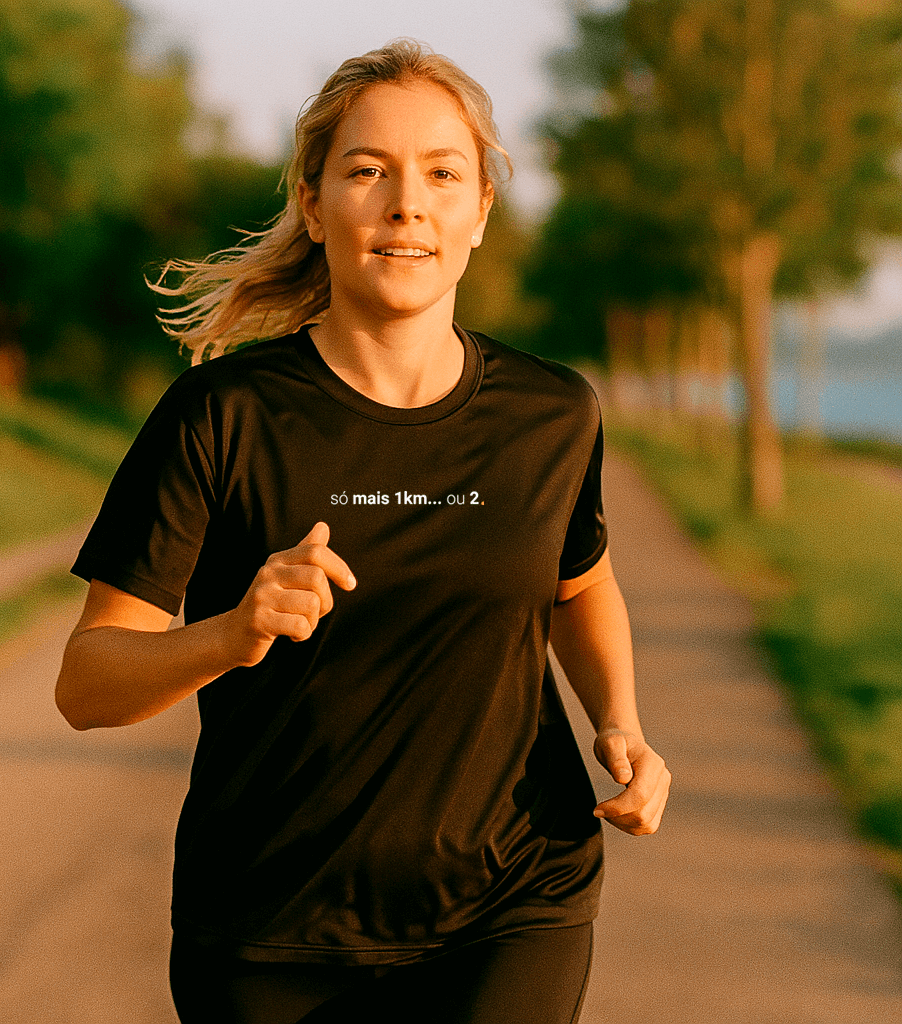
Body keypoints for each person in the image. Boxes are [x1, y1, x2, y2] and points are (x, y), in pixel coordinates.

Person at [55, 39, 670, 1024]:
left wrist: (620, 721)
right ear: (312, 204)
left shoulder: (552, 415)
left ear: (479, 212)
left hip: (513, 895)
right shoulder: (222, 417)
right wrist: (233, 631)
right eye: (367, 170)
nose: (406, 203)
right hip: (269, 926)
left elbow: (578, 582)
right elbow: (86, 684)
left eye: (441, 173)